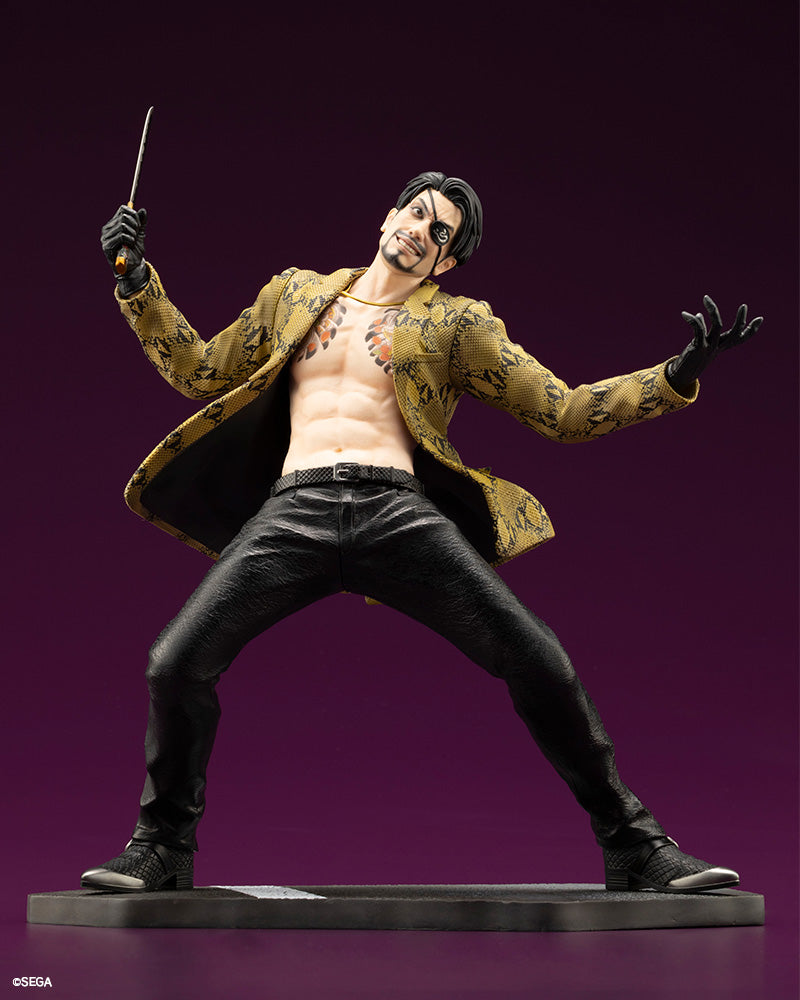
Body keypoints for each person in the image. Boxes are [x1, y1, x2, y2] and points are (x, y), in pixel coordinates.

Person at [82, 171, 761, 895]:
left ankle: (636, 846)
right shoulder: (295, 294)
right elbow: (197, 370)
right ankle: (162, 848)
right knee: (174, 663)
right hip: (293, 511)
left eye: (440, 233)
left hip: (397, 512)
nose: (419, 231)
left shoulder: (457, 325)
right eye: (416, 213)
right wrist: (136, 281)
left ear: (447, 261)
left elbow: (562, 411)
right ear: (388, 216)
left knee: (538, 659)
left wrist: (674, 375)